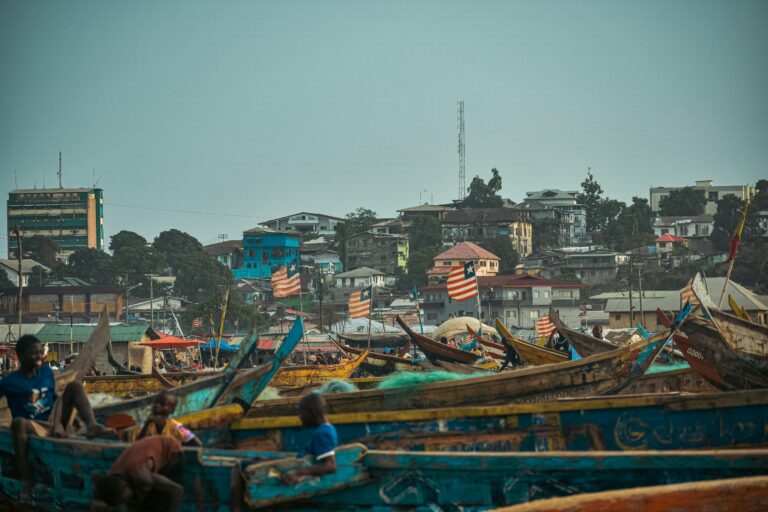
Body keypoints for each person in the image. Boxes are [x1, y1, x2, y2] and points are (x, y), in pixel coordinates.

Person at [0, 334, 113, 494]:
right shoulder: (9, 381)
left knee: (74, 386)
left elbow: (53, 398)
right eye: (34, 353)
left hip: (54, 419)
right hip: (35, 426)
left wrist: (63, 419)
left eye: (41, 352)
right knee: (17, 423)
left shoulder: (46, 372)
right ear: (20, 355)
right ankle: (26, 476)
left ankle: (92, 425)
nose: (39, 357)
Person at [95, 435, 183, 512]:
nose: (125, 502)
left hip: (171, 450)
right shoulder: (114, 474)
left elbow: (176, 490)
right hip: (145, 454)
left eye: (124, 499)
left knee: (158, 502)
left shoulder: (140, 474)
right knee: (137, 499)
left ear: (125, 485)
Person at [281, 393, 338, 484]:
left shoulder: (322, 433)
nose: (300, 416)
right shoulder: (328, 428)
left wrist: (298, 472)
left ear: (312, 413)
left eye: (302, 413)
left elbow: (331, 465)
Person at [130, 391, 202, 447]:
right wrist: (147, 425)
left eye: (163, 404)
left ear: (172, 410)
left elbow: (197, 444)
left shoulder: (176, 427)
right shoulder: (143, 426)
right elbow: (136, 447)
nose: (157, 406)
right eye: (156, 402)